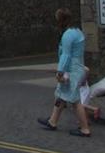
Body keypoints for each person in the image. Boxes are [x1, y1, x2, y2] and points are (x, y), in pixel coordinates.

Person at [37, 8, 91, 137]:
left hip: (71, 70)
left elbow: (66, 55)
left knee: (74, 100)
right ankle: (52, 121)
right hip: (77, 67)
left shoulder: (67, 35)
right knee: (61, 95)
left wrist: (60, 72)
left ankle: (85, 129)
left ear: (61, 20)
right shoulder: (77, 31)